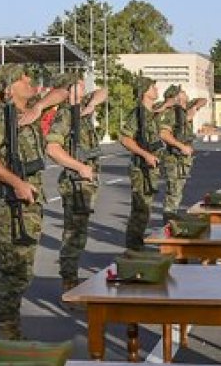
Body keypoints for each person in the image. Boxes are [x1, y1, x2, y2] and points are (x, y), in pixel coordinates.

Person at [0, 65, 67, 339]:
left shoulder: (29, 111)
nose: (29, 81)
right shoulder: (0, 116)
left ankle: (11, 328)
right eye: (21, 79)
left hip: (30, 201)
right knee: (13, 271)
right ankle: (8, 332)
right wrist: (16, 183)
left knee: (23, 270)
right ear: (8, 88)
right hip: (12, 203)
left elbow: (62, 92)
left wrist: (38, 108)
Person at [44, 72, 107, 295]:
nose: (83, 86)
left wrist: (89, 106)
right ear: (67, 91)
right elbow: (52, 148)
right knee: (73, 235)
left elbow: (104, 92)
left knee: (79, 234)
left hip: (86, 181)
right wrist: (79, 167)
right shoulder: (65, 115)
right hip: (76, 181)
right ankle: (69, 282)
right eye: (78, 85)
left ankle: (71, 278)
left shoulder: (80, 108)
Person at [118, 75, 164, 251]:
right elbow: (125, 139)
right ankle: (133, 249)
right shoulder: (138, 114)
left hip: (150, 169)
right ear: (145, 91)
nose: (156, 90)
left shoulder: (150, 114)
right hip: (141, 168)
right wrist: (145, 155)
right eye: (153, 87)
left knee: (145, 210)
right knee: (140, 210)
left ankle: (137, 246)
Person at [158, 85, 208, 221]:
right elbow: (163, 133)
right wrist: (181, 146)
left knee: (178, 189)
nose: (185, 93)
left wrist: (195, 108)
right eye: (182, 92)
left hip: (184, 158)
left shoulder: (187, 107)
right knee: (173, 190)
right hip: (174, 156)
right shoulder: (171, 112)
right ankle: (169, 219)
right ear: (176, 97)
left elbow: (204, 100)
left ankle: (171, 217)